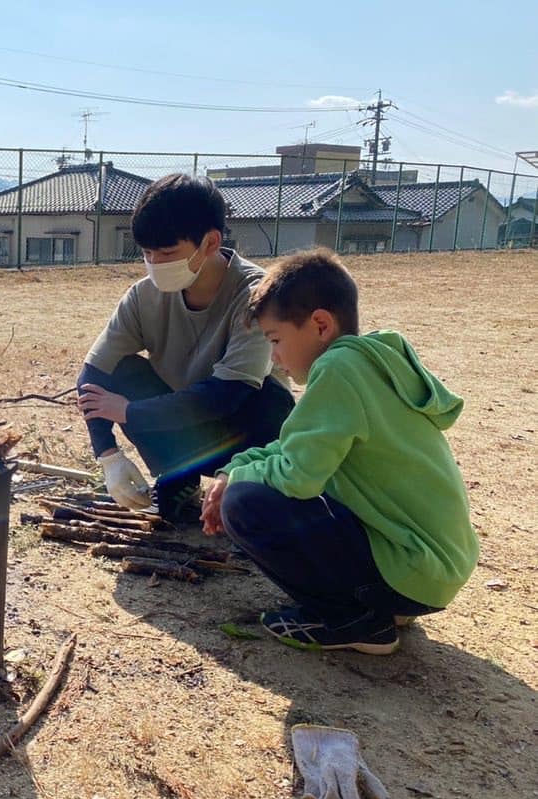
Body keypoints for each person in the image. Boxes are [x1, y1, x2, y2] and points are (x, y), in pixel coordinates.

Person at [201, 249, 479, 654]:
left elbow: (297, 475)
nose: (274, 356)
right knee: (252, 484)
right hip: (432, 568)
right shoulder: (370, 364)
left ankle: (355, 620)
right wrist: (235, 468)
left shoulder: (339, 370)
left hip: (414, 568)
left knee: (245, 504)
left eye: (275, 340)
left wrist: (234, 483)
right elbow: (293, 448)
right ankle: (380, 603)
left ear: (320, 324)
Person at [77, 173, 294, 520]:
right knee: (119, 370)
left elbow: (227, 394)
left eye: (167, 252)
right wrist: (108, 456)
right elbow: (93, 374)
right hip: (183, 423)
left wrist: (130, 412)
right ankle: (180, 477)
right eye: (147, 253)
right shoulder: (142, 296)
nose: (155, 264)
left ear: (210, 242)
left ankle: (251, 486)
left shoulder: (256, 293)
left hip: (246, 431)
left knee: (269, 397)